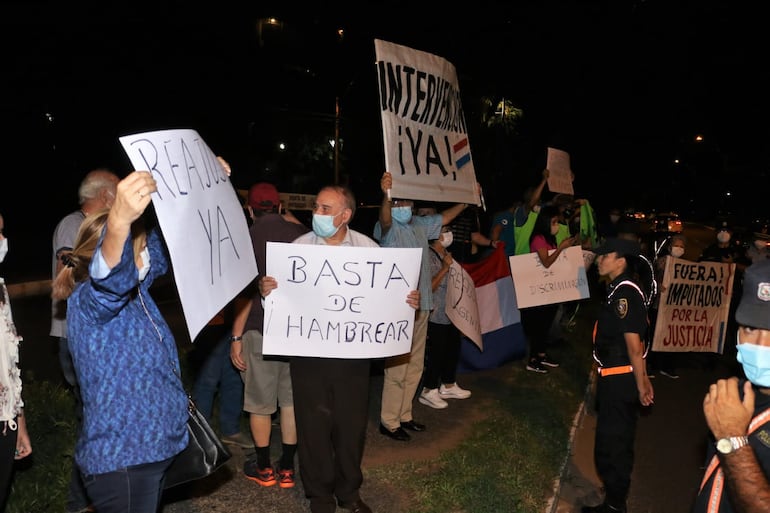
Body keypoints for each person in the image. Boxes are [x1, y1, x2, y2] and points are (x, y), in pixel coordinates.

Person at [258, 184, 419, 513]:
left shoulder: (369, 249)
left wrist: (406, 301)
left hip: (352, 359)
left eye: (325, 209)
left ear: (345, 215)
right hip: (309, 357)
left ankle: (349, 493)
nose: (317, 213)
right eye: (316, 207)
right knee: (313, 428)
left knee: (350, 428)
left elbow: (386, 295)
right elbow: (282, 298)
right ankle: (319, 495)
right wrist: (267, 290)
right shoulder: (299, 249)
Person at [50, 172, 189, 513]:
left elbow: (159, 248)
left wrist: (189, 184)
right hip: (124, 461)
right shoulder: (90, 302)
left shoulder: (138, 292)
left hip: (153, 451)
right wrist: (120, 223)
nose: (148, 259)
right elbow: (111, 276)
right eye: (138, 252)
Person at [374, 172, 469, 441]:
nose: (402, 206)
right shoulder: (388, 228)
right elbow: (384, 219)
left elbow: (445, 218)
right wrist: (386, 195)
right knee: (396, 368)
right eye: (397, 202)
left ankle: (405, 415)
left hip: (423, 305)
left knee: (415, 365)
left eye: (406, 201)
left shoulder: (419, 225)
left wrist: (466, 200)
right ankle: (389, 421)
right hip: (399, 308)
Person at [229, 182, 309, 488]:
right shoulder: (301, 237)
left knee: (260, 404)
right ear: (278, 207)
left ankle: (264, 468)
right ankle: (288, 468)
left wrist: (236, 338)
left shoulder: (244, 240)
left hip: (259, 331)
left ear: (250, 209)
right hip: (296, 333)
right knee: (290, 402)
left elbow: (243, 296)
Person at [50, 168, 119, 513]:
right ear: (106, 195)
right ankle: (82, 498)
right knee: (91, 416)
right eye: (118, 193)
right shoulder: (72, 224)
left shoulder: (100, 225)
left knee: (96, 415)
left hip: (93, 335)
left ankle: (92, 494)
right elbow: (72, 265)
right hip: (74, 335)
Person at [582, 237, 654, 513]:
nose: (599, 260)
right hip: (615, 376)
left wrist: (641, 383)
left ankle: (614, 504)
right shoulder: (618, 290)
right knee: (610, 439)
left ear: (621, 261)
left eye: (605, 256)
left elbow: (635, 346)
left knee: (615, 442)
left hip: (621, 379)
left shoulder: (625, 292)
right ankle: (613, 493)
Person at [694, 258, 770, 513]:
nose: (760, 344)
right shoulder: (734, 396)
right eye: (750, 327)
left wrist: (732, 439)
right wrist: (727, 441)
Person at [419, 225, 472, 410]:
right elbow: (428, 287)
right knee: (437, 352)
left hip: (451, 312)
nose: (449, 233)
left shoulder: (447, 253)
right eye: (445, 230)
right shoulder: (428, 255)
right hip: (435, 312)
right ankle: (428, 390)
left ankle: (448, 384)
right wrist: (444, 268)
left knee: (453, 348)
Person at [0, 213, 32, 512]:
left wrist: (19, 420)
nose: (2, 241)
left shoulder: (0, 286)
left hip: (4, 420)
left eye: (1, 231)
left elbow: (9, 360)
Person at [520, 204, 575, 373]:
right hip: (539, 289)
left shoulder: (549, 239)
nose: (556, 226)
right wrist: (561, 248)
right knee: (539, 325)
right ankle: (533, 359)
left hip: (550, 288)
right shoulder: (538, 239)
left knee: (547, 324)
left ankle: (542, 354)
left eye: (557, 222)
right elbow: (546, 262)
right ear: (545, 222)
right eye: (554, 222)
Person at [189, 302, 252, 449]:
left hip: (235, 317)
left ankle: (230, 431)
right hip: (211, 318)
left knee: (234, 378)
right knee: (207, 379)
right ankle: (201, 435)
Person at [646, 234, 686, 379]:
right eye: (676, 245)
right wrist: (658, 285)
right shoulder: (661, 262)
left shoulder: (686, 267)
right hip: (659, 306)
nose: (679, 249)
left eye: (682, 246)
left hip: (675, 309)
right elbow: (650, 278)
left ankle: (667, 367)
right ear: (670, 247)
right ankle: (649, 366)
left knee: (671, 337)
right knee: (654, 335)